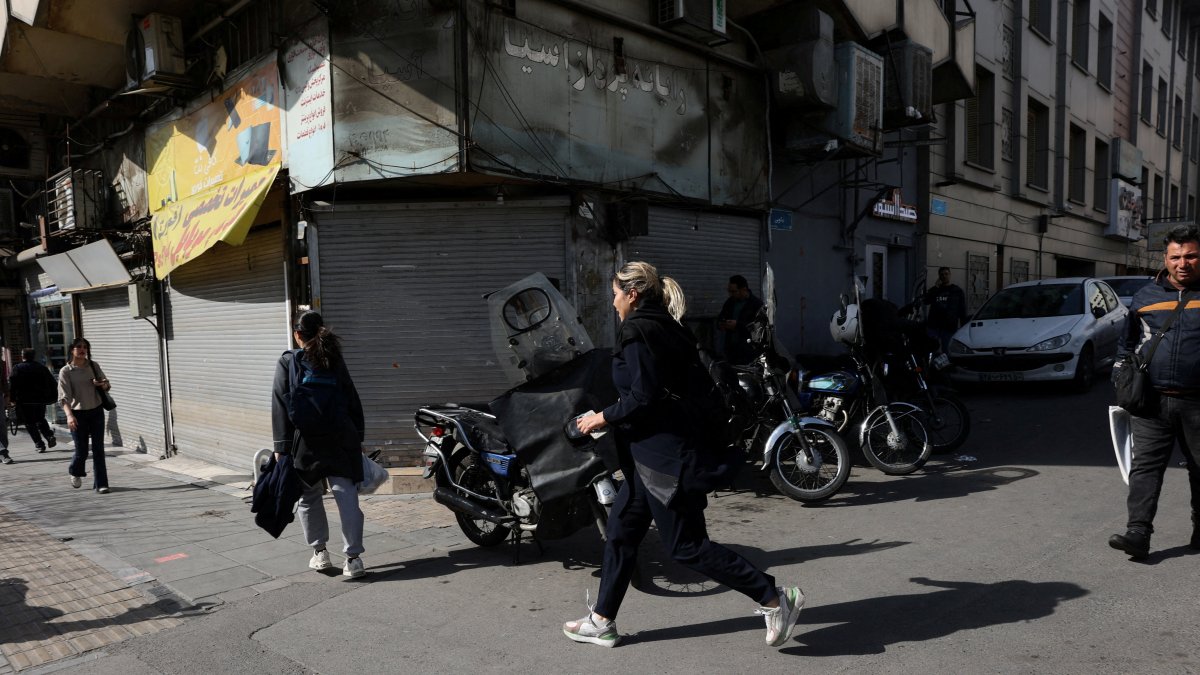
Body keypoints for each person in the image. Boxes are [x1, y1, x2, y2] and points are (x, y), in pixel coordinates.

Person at [564, 262, 803, 649]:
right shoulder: (668, 326)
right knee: (622, 533)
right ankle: (601, 621)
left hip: (665, 462)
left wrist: (599, 418)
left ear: (633, 294)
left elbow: (643, 396)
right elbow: (656, 393)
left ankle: (776, 599)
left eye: (615, 294)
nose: (612, 302)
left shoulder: (637, 330)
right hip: (651, 459)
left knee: (686, 546)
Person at [1109, 224, 1200, 559]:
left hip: (1197, 403)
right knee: (1145, 467)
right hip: (1152, 401)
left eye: (1191, 256)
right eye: (1176, 257)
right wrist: (1120, 378)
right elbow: (1127, 344)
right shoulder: (1146, 297)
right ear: (1165, 258)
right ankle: (1138, 533)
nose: (1183, 263)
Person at [271, 311, 368, 578]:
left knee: (309, 497)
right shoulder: (334, 358)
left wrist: (281, 446)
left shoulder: (289, 361)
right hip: (341, 437)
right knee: (346, 494)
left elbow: (280, 404)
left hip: (306, 441)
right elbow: (351, 397)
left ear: (297, 335)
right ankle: (354, 558)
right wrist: (357, 437)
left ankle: (320, 553)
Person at [58, 338, 111, 493]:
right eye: (79, 347)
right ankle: (75, 470)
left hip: (96, 411)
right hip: (77, 414)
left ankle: (101, 484)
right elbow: (63, 398)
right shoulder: (66, 371)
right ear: (72, 349)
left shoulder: (93, 366)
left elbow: (107, 385)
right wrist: (69, 416)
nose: (82, 350)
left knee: (98, 449)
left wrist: (102, 384)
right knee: (81, 450)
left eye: (85, 347)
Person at [9, 348, 59, 454]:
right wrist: (50, 396)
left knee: (30, 423)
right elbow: (52, 382)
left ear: (22, 356)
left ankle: (39, 444)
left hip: (24, 401)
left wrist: (12, 399)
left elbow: (13, 385)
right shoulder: (42, 368)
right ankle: (49, 435)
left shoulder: (17, 368)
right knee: (41, 419)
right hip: (40, 400)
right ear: (34, 356)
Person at [716, 274, 765, 365]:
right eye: (729, 291)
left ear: (744, 289)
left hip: (748, 352)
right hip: (731, 350)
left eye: (734, 291)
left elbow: (759, 328)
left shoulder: (756, 304)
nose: (731, 294)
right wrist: (721, 323)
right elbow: (721, 316)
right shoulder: (730, 302)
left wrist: (737, 325)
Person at [922, 267, 968, 354]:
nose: (944, 276)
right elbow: (926, 301)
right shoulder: (935, 290)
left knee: (947, 351)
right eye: (942, 274)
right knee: (932, 350)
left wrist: (963, 326)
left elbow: (962, 309)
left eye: (946, 274)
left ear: (950, 275)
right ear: (939, 276)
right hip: (934, 325)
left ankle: (946, 367)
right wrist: (935, 287)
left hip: (949, 326)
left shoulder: (957, 291)